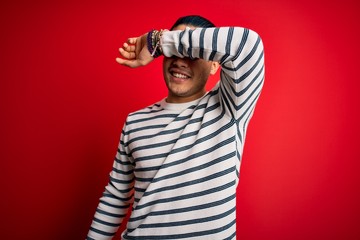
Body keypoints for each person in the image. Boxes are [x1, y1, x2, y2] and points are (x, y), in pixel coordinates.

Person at [87, 15, 264, 240]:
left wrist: (157, 40)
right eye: (174, 51)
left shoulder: (230, 107)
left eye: (193, 53)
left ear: (214, 65)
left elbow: (248, 43)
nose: (181, 61)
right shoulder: (135, 121)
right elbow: (116, 196)